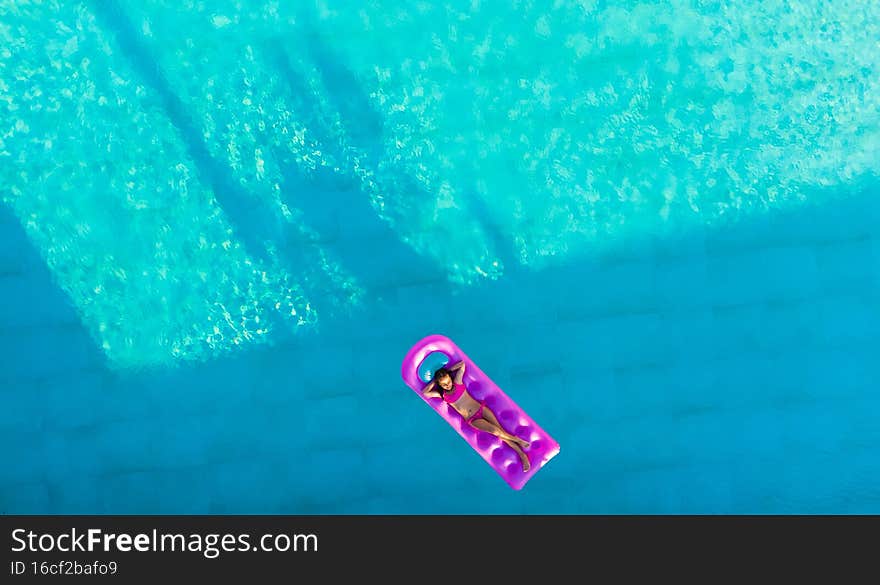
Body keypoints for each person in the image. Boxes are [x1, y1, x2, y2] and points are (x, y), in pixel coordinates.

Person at [422, 360, 531, 472]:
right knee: (496, 431)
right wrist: (435, 381)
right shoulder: (442, 395)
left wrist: (447, 371)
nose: (447, 385)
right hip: (473, 419)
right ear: (440, 385)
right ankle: (517, 440)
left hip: (481, 409)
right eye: (444, 384)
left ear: (450, 378)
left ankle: (522, 455)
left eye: (448, 381)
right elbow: (425, 392)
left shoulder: (457, 382)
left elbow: (462, 364)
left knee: (501, 432)